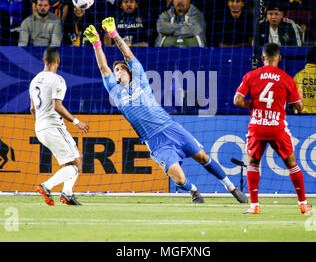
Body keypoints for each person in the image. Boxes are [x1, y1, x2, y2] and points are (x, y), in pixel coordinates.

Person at [83, 17, 248, 204]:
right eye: (116, 71)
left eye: (121, 68)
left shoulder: (140, 81)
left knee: (203, 157)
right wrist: (97, 43)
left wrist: (114, 35)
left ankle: (231, 187)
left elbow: (128, 56)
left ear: (129, 71)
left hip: (170, 127)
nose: (117, 71)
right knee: (179, 179)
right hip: (155, 141)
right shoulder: (115, 91)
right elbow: (103, 68)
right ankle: (193, 190)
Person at [233, 43, 312, 214]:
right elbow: (299, 107)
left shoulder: (251, 75)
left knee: (253, 162)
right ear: (279, 58)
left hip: (257, 126)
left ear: (262, 58)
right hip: (277, 127)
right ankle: (303, 204)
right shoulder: (286, 78)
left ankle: (254, 206)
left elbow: (237, 101)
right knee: (291, 163)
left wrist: (252, 105)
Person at [30, 47, 89, 206]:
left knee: (75, 157)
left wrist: (41, 124)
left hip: (40, 127)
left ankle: (67, 194)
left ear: (43, 61)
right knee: (77, 165)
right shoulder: (58, 80)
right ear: (58, 62)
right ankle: (46, 186)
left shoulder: (34, 80)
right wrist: (76, 121)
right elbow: (57, 106)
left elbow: (32, 108)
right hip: (53, 126)